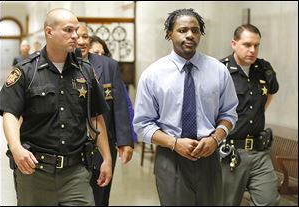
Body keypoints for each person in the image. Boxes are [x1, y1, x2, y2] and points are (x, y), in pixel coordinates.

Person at [0, 8, 112, 206]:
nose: (75, 36)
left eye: (76, 30)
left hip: (76, 172)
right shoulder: (26, 71)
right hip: (34, 172)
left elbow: (95, 118)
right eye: (68, 30)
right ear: (49, 32)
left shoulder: (85, 72)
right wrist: (16, 148)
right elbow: (10, 113)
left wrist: (107, 158)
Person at [133, 8, 239, 206]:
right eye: (182, 30)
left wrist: (215, 139)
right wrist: (175, 143)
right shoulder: (153, 75)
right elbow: (142, 125)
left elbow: (229, 113)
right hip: (171, 158)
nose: (190, 35)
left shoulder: (218, 71)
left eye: (195, 30)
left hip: (209, 157)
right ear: (169, 34)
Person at [219, 24, 280, 205]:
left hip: (259, 152)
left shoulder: (264, 69)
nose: (252, 50)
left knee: (268, 201)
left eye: (256, 45)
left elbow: (269, 95)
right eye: (247, 45)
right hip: (231, 153)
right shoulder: (220, 70)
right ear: (234, 44)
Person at [77, 24, 134, 206]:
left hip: (103, 141)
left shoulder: (108, 65)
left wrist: (125, 141)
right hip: (72, 143)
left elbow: (120, 104)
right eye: (76, 36)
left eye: (85, 36)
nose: (81, 41)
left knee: (100, 194)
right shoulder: (62, 64)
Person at [90, 35, 138, 143]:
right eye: (96, 53)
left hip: (107, 136)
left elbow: (125, 106)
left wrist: (129, 139)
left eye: (103, 54)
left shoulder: (110, 73)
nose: (100, 57)